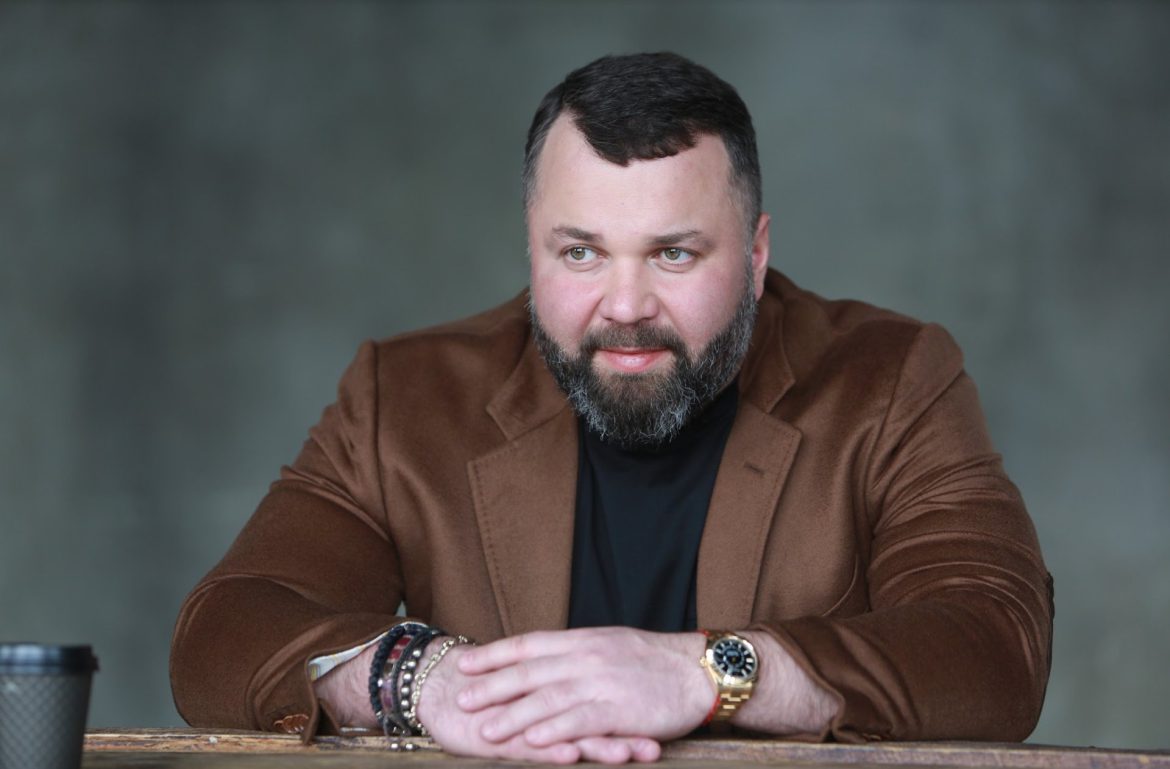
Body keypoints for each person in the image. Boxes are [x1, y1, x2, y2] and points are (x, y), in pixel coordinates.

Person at [170, 52, 1053, 764]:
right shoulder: (399, 396)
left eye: (673, 254)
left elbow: (995, 647)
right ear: (532, 246)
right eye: (581, 253)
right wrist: (424, 677)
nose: (624, 306)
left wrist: (708, 672)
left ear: (754, 256)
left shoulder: (892, 379)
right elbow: (224, 629)